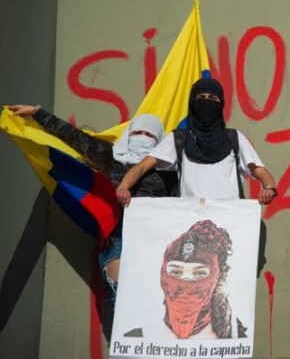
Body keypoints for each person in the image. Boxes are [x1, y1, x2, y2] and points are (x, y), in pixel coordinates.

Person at [7, 104, 175, 305]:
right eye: (137, 132)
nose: (141, 137)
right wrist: (37, 113)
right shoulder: (108, 156)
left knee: (156, 304)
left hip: (154, 242)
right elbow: (75, 137)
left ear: (159, 141)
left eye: (149, 135)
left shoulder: (169, 170)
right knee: (123, 300)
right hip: (116, 240)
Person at [116, 77, 277, 205]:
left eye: (212, 98)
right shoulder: (180, 139)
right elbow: (143, 165)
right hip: (190, 222)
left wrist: (269, 188)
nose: (206, 101)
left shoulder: (233, 138)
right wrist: (124, 188)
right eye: (201, 97)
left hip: (229, 221)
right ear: (193, 104)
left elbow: (261, 172)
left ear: (221, 104)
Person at [124, 219, 246, 339]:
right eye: (176, 272)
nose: (186, 282)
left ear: (217, 278)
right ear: (163, 275)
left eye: (199, 273)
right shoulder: (135, 340)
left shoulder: (234, 338)